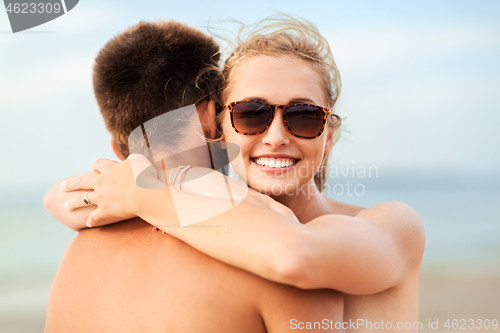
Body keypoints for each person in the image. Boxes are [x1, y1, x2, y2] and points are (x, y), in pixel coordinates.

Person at [44, 20, 347, 332]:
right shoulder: (273, 256)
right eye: (250, 114)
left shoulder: (75, 260)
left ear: (117, 149)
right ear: (209, 118)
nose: (275, 135)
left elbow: (57, 199)